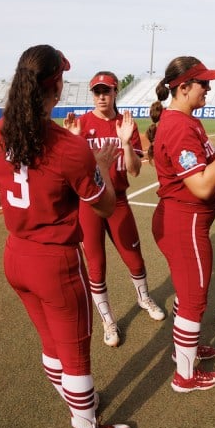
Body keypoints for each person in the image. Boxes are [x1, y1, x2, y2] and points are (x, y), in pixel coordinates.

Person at [0, 45, 131, 428]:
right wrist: (99, 163)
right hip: (55, 260)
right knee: (76, 354)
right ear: (56, 87)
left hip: (16, 254)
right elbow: (105, 204)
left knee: (51, 346)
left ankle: (77, 406)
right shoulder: (69, 147)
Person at [146, 56, 215, 393]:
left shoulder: (187, 121)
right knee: (194, 299)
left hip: (182, 220)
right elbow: (202, 185)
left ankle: (183, 350)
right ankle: (185, 376)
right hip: (184, 222)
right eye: (203, 83)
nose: (209, 88)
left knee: (189, 293)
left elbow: (207, 168)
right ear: (183, 87)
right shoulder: (179, 126)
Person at [63, 72, 166, 348]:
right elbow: (70, 170)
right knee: (96, 266)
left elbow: (133, 170)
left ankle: (143, 297)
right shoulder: (81, 124)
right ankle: (108, 320)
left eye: (105, 91)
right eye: (96, 92)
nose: (100, 97)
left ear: (115, 92)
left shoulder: (126, 124)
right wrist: (73, 142)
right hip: (90, 204)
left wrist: (124, 143)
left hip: (118, 199)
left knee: (134, 256)